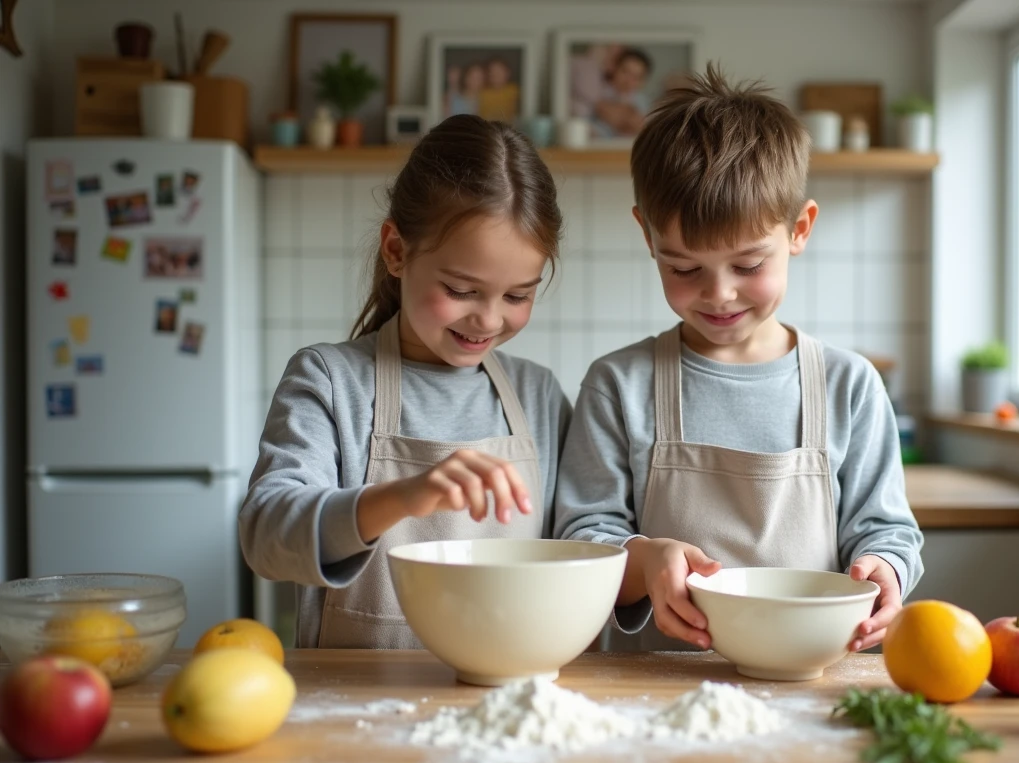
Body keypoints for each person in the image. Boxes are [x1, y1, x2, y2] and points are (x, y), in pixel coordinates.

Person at [554, 65, 923, 653]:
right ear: (647, 237)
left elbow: (884, 529)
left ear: (799, 229)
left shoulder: (848, 386)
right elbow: (583, 539)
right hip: (650, 692)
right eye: (683, 268)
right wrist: (646, 559)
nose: (719, 293)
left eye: (748, 266)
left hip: (808, 680)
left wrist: (884, 567)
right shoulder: (619, 386)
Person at [240, 115, 569, 649]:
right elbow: (264, 537)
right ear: (396, 250)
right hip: (356, 703)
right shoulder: (330, 380)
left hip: (506, 702)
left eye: (517, 296)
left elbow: (577, 549)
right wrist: (401, 497)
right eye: (462, 290)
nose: (488, 320)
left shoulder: (540, 396)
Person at [591, 48, 653, 139]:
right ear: (614, 68)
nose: (628, 81)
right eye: (625, 72)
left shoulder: (645, 103)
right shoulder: (597, 93)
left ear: (643, 81)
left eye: (636, 77)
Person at [477, 57, 520, 123]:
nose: (495, 73)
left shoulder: (514, 90)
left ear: (508, 73)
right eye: (492, 70)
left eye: (499, 70)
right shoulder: (482, 92)